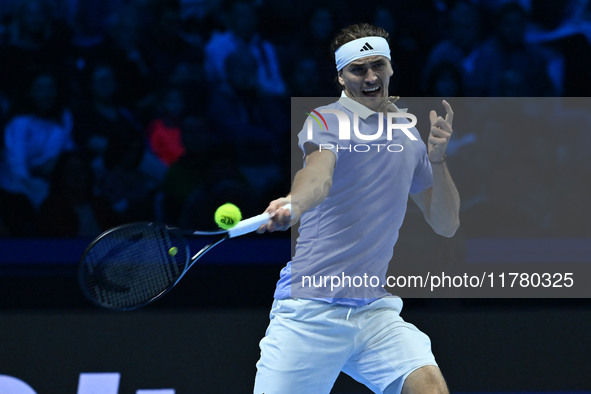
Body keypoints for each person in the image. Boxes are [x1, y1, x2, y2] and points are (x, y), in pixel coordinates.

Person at [255, 23, 460, 393]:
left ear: (391, 68)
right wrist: (293, 203)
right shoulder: (325, 120)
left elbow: (445, 223)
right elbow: (318, 175)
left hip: (373, 312)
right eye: (358, 69)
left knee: (429, 386)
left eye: (378, 65)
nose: (370, 76)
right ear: (341, 77)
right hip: (310, 310)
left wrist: (439, 161)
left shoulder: (409, 135)